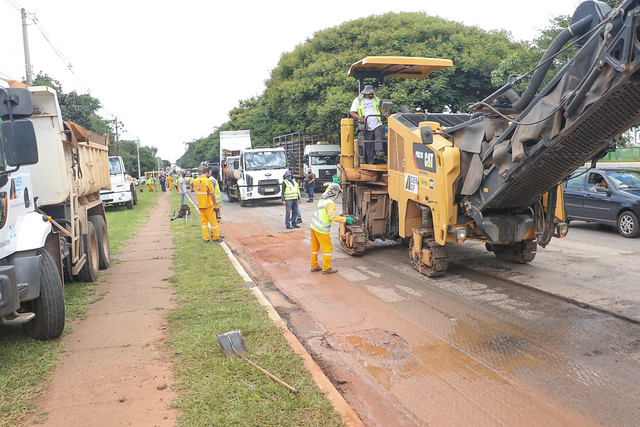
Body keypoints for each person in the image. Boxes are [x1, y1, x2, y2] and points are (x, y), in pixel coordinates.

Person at [310, 183, 354, 274]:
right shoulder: (330, 203)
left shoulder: (323, 198)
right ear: (335, 193)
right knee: (328, 249)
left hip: (314, 226)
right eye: (338, 192)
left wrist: (334, 184)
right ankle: (326, 268)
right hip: (321, 229)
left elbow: (328, 189)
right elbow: (332, 217)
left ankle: (313, 266)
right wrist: (346, 219)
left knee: (315, 248)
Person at [350, 84, 387, 164]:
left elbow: (381, 108)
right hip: (366, 124)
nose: (371, 94)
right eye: (369, 93)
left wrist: (386, 115)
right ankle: (370, 160)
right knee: (368, 142)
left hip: (377, 122)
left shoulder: (376, 99)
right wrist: (360, 118)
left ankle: (379, 153)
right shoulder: (357, 100)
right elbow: (352, 112)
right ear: (365, 93)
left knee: (378, 137)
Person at [192, 166, 222, 243]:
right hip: (208, 205)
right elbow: (212, 194)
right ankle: (216, 237)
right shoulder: (207, 181)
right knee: (213, 222)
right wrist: (215, 204)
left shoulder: (195, 181)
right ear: (207, 173)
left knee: (204, 223)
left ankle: (206, 238)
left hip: (200, 205)